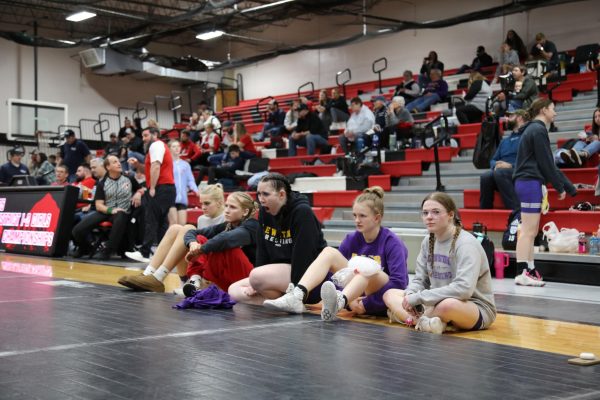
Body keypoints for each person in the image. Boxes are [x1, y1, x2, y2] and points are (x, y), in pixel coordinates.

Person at [264, 187, 409, 320]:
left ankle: (339, 301)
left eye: (362, 216)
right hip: (352, 296)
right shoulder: (351, 238)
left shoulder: (392, 242)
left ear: (377, 218)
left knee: (366, 269)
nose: (357, 220)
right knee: (329, 252)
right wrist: (350, 300)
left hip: (378, 297)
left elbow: (399, 283)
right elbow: (338, 278)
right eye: (354, 215)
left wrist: (368, 304)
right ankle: (297, 295)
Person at [383, 192, 497, 334]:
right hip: (435, 301)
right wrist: (410, 295)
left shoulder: (466, 244)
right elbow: (420, 279)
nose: (429, 217)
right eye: (425, 213)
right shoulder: (427, 241)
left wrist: (418, 298)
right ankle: (430, 323)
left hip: (472, 307)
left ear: (451, 215)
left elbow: (463, 290)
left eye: (436, 212)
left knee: (447, 305)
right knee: (390, 294)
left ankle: (412, 319)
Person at [117, 192, 259, 293]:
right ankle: (152, 275)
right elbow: (192, 234)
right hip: (222, 273)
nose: (227, 211)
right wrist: (192, 244)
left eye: (232, 207)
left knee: (218, 242)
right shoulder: (226, 224)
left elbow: (225, 240)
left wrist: (200, 249)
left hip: (247, 279)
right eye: (227, 206)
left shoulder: (252, 225)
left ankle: (178, 279)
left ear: (245, 211)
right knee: (180, 229)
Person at [228, 173, 327, 305]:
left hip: (308, 277)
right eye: (258, 194)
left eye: (265, 194)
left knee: (256, 277)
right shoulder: (264, 211)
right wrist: (256, 285)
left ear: (281, 194)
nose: (261, 199)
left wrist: (298, 291)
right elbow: (262, 250)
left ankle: (294, 300)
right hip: (279, 276)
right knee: (234, 290)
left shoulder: (302, 212)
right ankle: (281, 302)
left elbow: (304, 256)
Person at [513, 98, 577, 286]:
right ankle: (522, 272)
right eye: (552, 109)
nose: (555, 113)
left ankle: (529, 269)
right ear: (543, 110)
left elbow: (547, 161)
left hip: (528, 181)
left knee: (530, 231)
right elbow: (547, 163)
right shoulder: (538, 130)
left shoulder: (533, 129)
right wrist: (560, 187)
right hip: (529, 182)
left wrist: (568, 187)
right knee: (528, 231)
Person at [72, 155, 143, 260]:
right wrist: (111, 210)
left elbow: (142, 188)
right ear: (108, 167)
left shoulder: (129, 178)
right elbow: (99, 205)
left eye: (118, 161)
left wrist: (138, 194)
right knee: (77, 231)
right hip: (105, 211)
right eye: (114, 162)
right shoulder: (102, 183)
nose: (119, 163)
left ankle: (108, 250)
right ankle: (85, 247)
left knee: (120, 215)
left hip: (123, 212)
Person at [125, 127, 176, 263]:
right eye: (142, 136)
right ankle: (163, 254)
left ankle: (145, 253)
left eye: (146, 135)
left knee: (151, 219)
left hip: (161, 187)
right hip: (167, 189)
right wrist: (137, 165)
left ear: (155, 134)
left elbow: (155, 167)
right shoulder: (158, 147)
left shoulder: (156, 145)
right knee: (161, 223)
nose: (144, 139)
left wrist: (152, 187)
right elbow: (149, 169)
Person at [480, 109, 529, 210]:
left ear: (519, 118)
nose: (507, 119)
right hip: (503, 172)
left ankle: (515, 211)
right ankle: (485, 212)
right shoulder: (504, 141)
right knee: (485, 176)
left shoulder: (528, 136)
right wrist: (495, 165)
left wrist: (511, 166)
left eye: (511, 116)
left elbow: (531, 159)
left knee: (500, 173)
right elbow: (493, 160)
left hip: (520, 171)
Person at [169, 140, 198, 226]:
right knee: (173, 224)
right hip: (170, 197)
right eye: (174, 146)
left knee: (182, 224)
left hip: (182, 198)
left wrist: (195, 190)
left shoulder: (185, 164)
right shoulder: (167, 164)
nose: (177, 148)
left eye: (178, 146)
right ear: (169, 149)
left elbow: (190, 180)